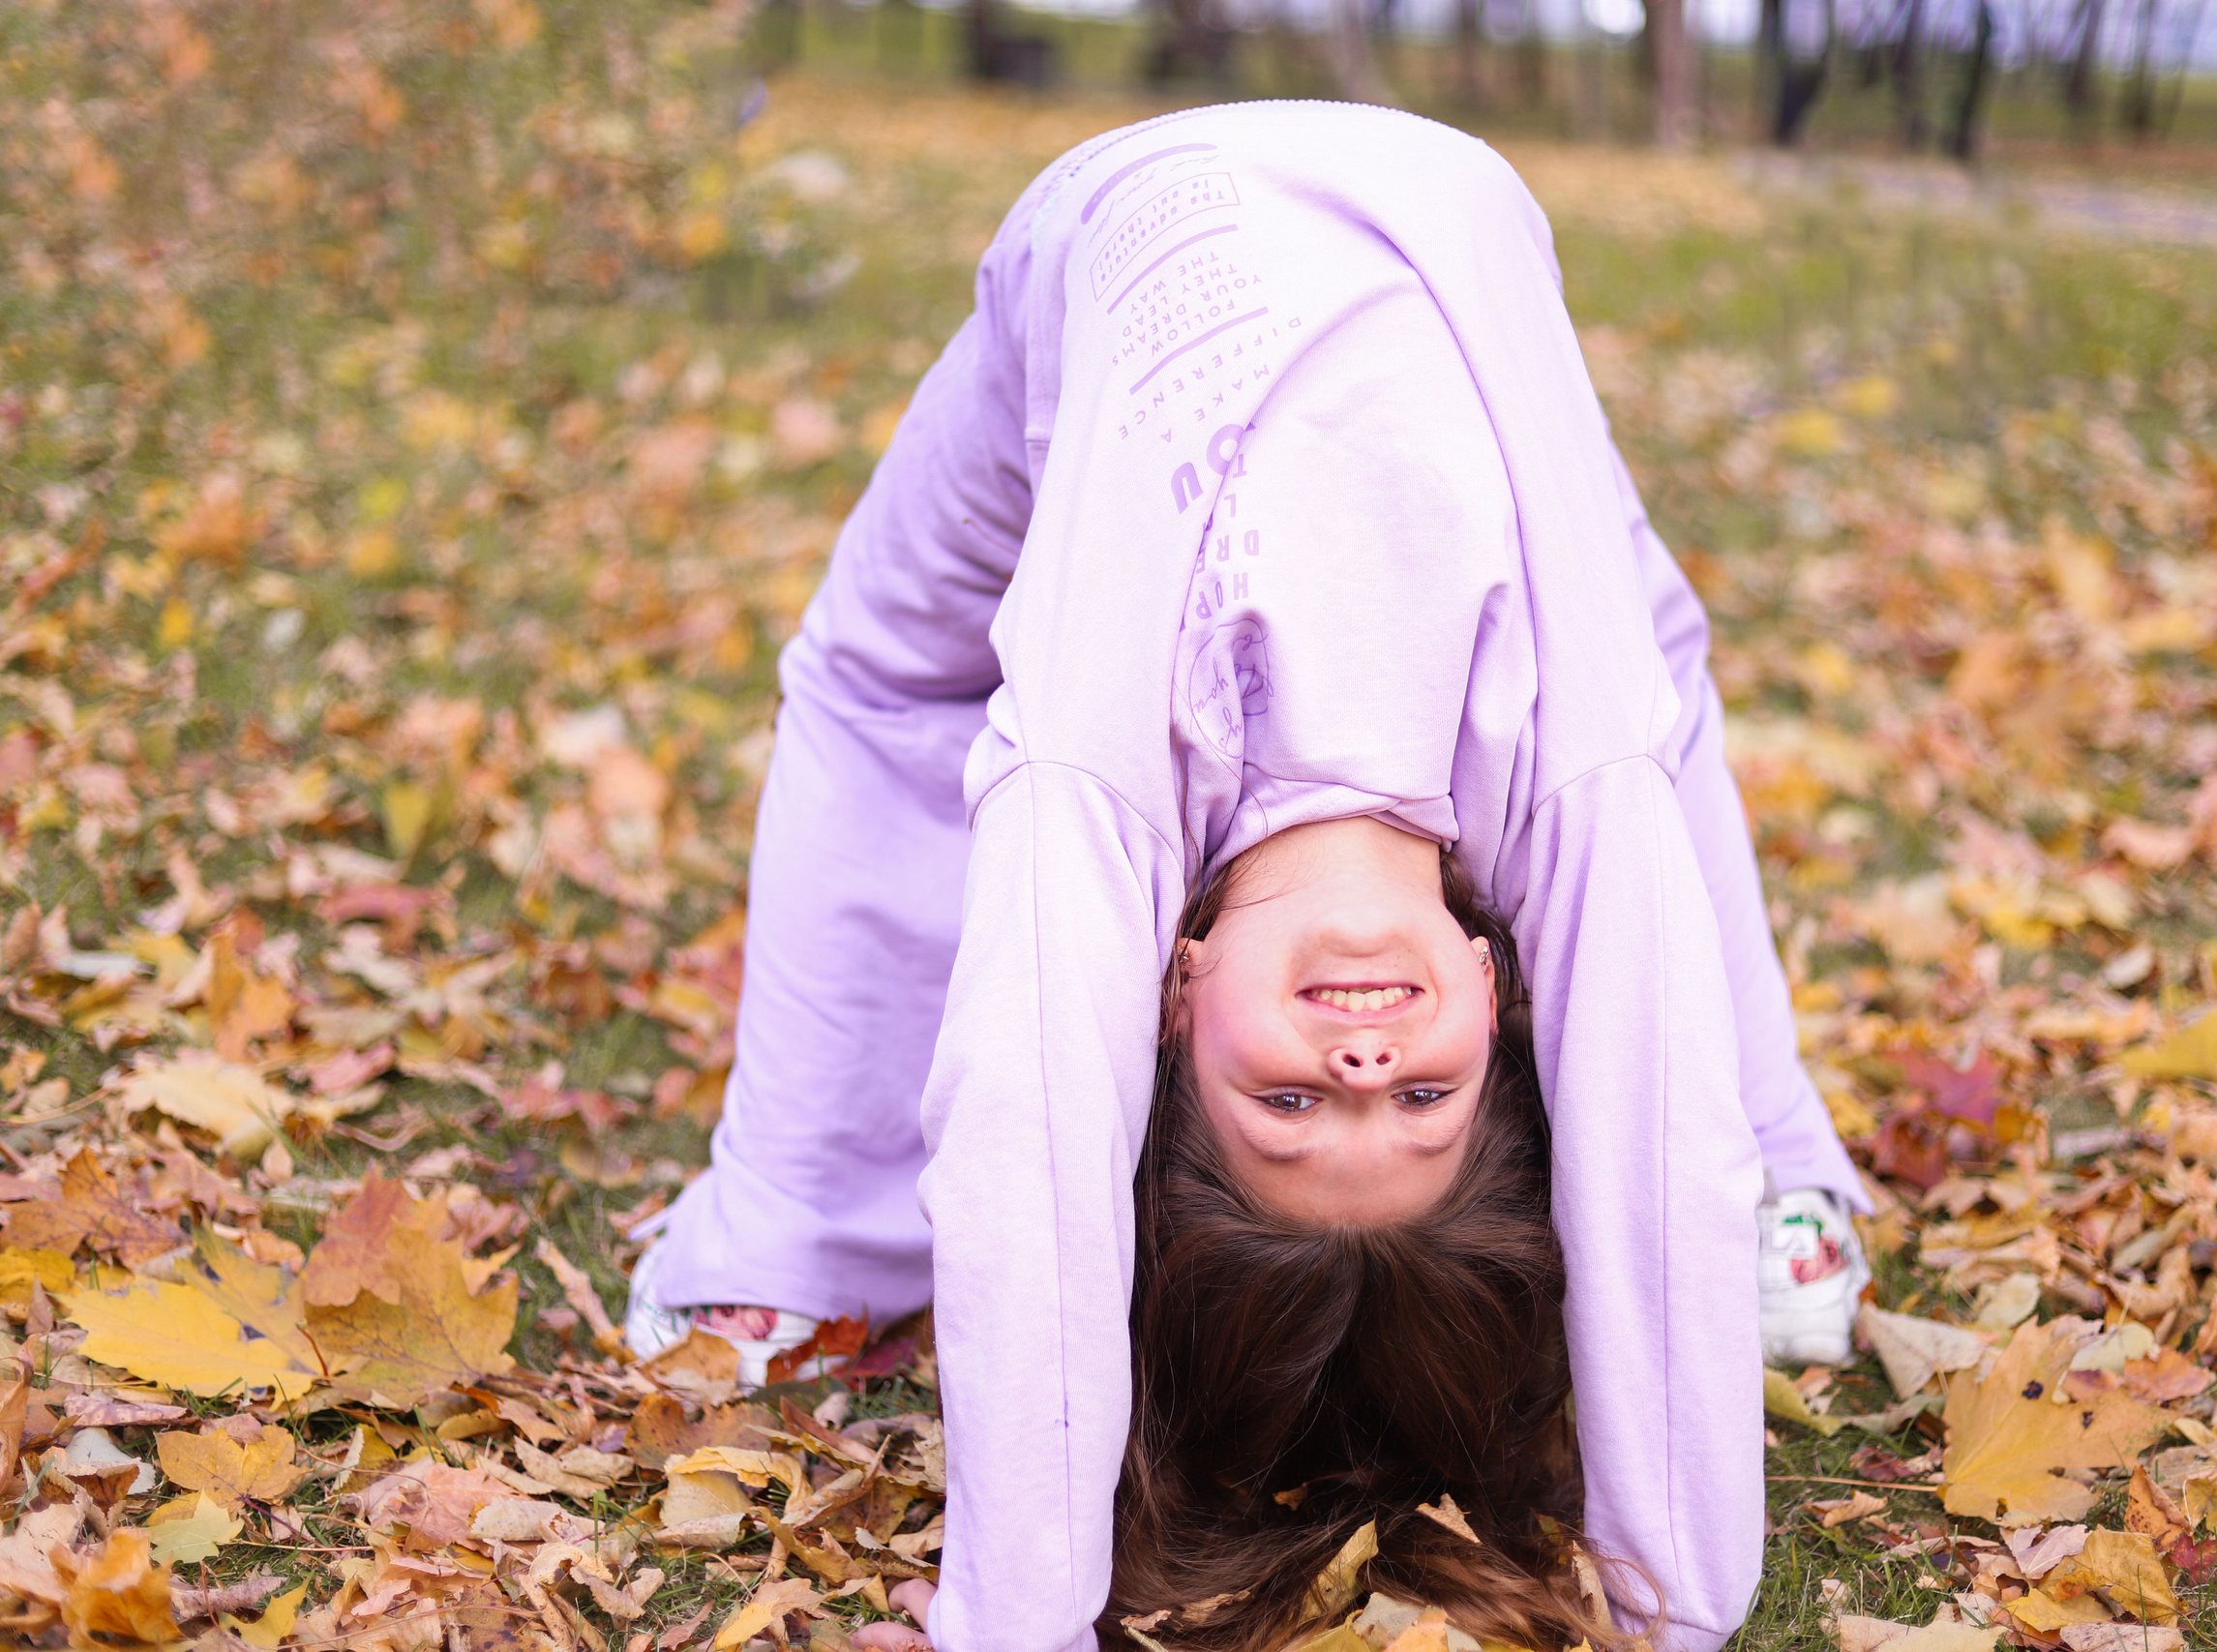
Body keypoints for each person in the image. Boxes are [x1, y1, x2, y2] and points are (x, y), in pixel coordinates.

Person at [622, 103, 1870, 1652]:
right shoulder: (1569, 778)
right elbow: (1657, 1126)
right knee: (1653, 693)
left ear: (1172, 1001)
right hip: (1466, 245)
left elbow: (1031, 1143)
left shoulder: (1092, 776)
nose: (1361, 1063)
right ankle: (1795, 1191)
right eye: (1419, 1105)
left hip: (1129, 218)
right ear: (1498, 993)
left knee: (878, 681)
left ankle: (797, 1240)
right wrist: (1676, 1609)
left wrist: (1010, 1628)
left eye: (1291, 1106)